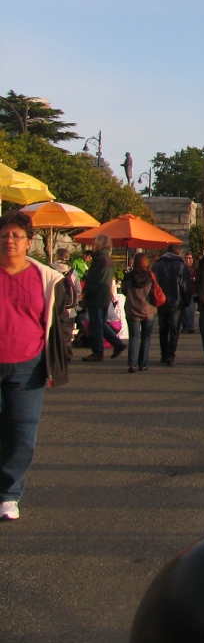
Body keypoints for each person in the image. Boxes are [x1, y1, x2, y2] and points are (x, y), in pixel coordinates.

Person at [0, 211, 73, 520]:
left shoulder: (46, 278)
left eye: (16, 236)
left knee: (22, 433)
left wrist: (60, 358)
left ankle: (9, 494)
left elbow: (61, 321)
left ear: (29, 242)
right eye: (4, 235)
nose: (10, 241)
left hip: (28, 364)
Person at [82, 234, 125, 361]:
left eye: (94, 244)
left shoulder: (99, 260)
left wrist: (87, 292)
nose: (93, 246)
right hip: (104, 295)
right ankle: (117, 343)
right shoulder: (107, 259)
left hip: (96, 296)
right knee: (100, 323)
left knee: (95, 325)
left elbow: (94, 280)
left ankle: (98, 352)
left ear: (99, 245)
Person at [152, 244, 192, 365]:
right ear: (178, 253)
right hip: (176, 302)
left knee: (163, 329)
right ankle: (170, 354)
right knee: (174, 329)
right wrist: (187, 301)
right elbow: (185, 286)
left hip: (161, 301)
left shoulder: (158, 265)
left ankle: (164, 354)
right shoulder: (181, 266)